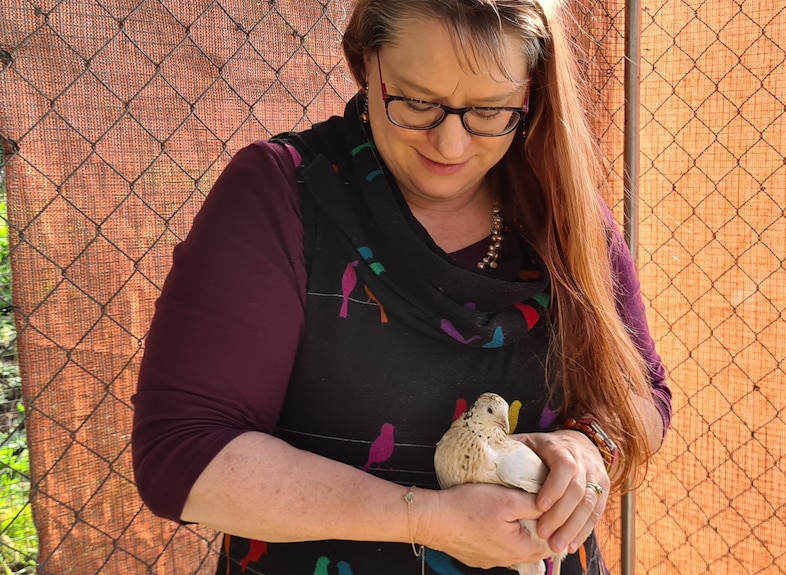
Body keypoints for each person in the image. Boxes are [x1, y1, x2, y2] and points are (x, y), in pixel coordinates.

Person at [131, 1, 672, 574]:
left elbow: (644, 395)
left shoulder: (560, 208)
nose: (451, 146)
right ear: (368, 63)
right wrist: (428, 520)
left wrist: (588, 447)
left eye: (490, 111)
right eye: (416, 103)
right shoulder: (283, 193)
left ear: (532, 92)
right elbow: (181, 455)